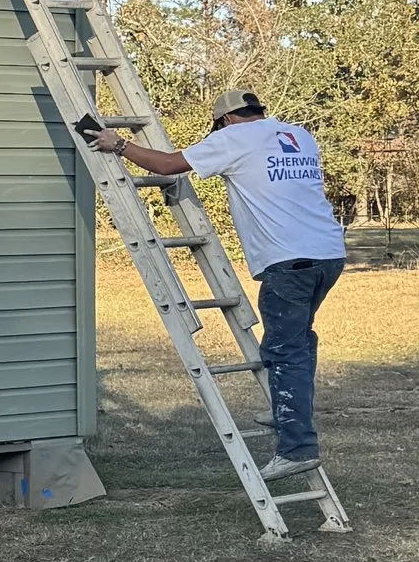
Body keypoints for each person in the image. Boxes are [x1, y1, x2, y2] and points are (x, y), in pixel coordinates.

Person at [87, 91, 346, 480]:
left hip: (288, 262)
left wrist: (118, 144)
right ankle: (286, 412)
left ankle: (297, 447)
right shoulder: (297, 135)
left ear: (225, 120)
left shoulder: (233, 138)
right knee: (295, 342)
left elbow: (170, 165)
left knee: (284, 348)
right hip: (327, 254)